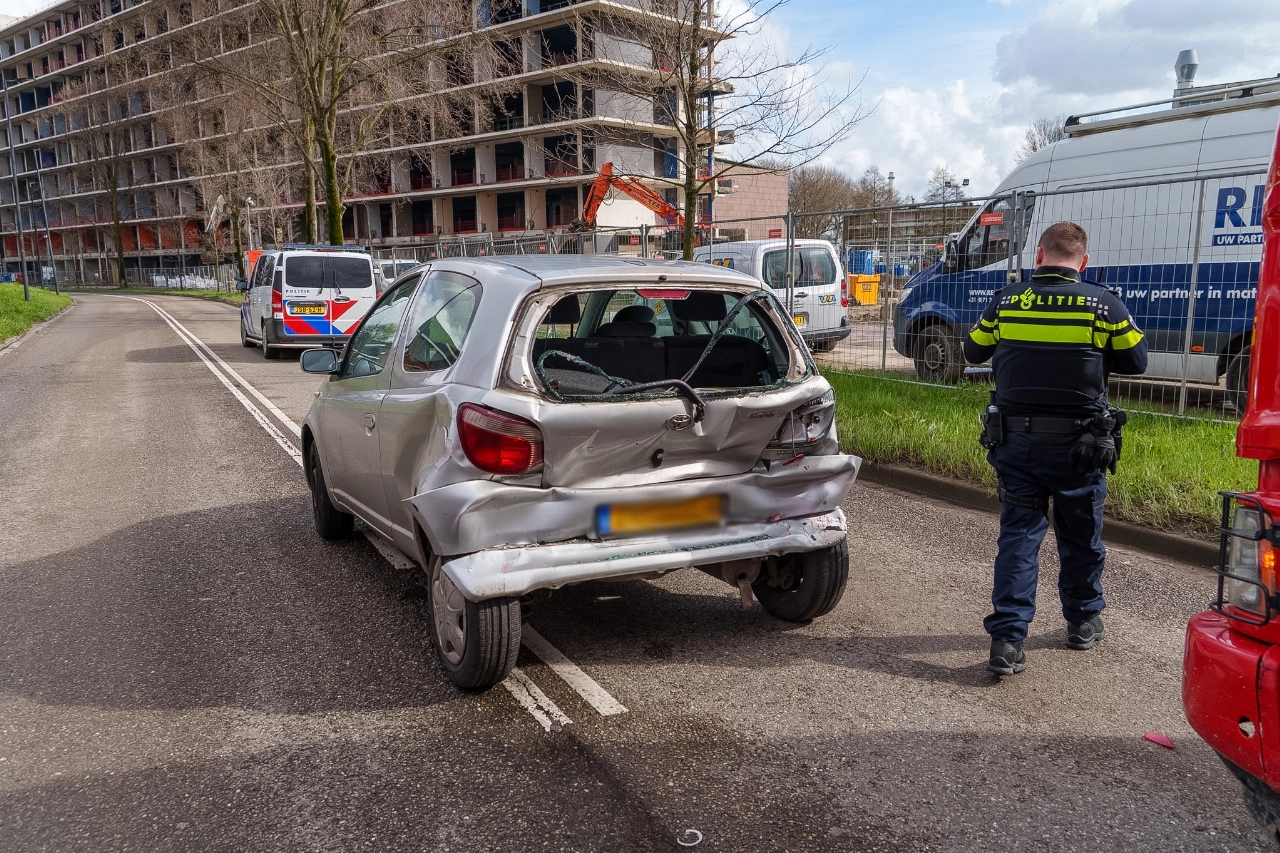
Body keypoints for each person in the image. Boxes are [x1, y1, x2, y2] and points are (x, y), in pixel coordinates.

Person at [963, 221, 1148, 675]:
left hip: (1017, 445)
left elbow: (971, 352)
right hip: (1081, 450)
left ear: (1039, 256)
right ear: (1083, 263)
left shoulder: (1007, 301)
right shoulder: (1103, 305)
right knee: (1081, 537)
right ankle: (1083, 622)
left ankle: (1007, 641)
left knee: (1019, 540)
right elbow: (1137, 362)